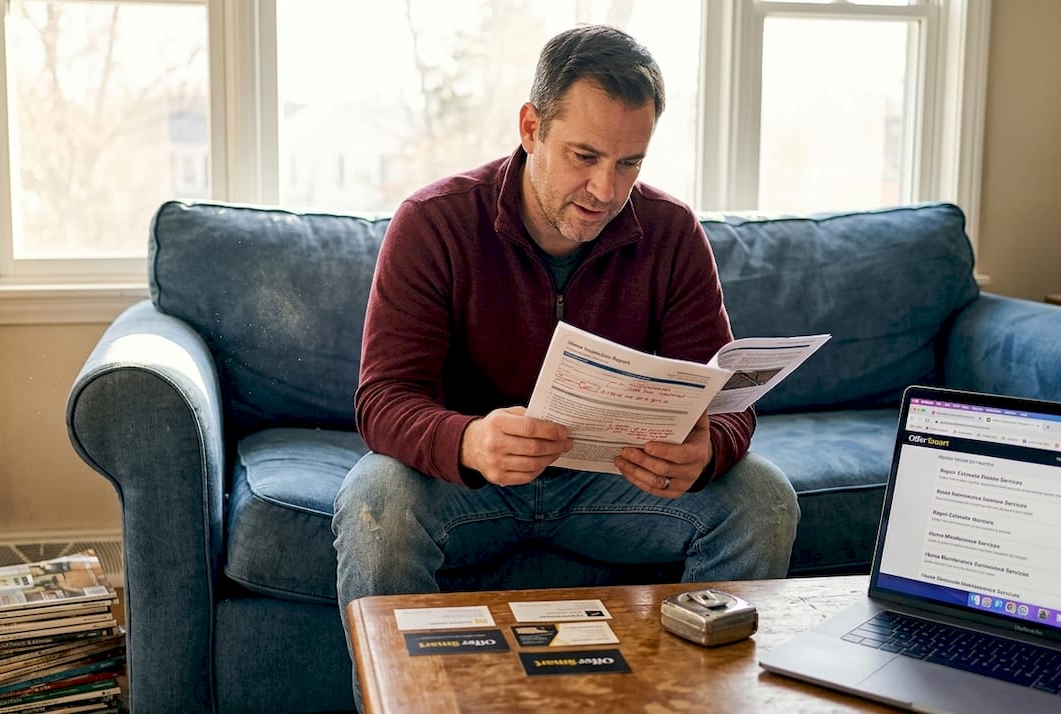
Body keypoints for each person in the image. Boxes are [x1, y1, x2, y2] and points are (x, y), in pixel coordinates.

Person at [333, 23, 799, 696]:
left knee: (763, 498)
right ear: (530, 128)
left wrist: (708, 449)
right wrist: (468, 439)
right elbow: (382, 400)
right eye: (584, 155)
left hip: (617, 485)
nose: (606, 190)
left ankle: (695, 706)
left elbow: (724, 404)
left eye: (629, 163)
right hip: (469, 487)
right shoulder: (434, 223)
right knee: (375, 500)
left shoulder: (672, 235)